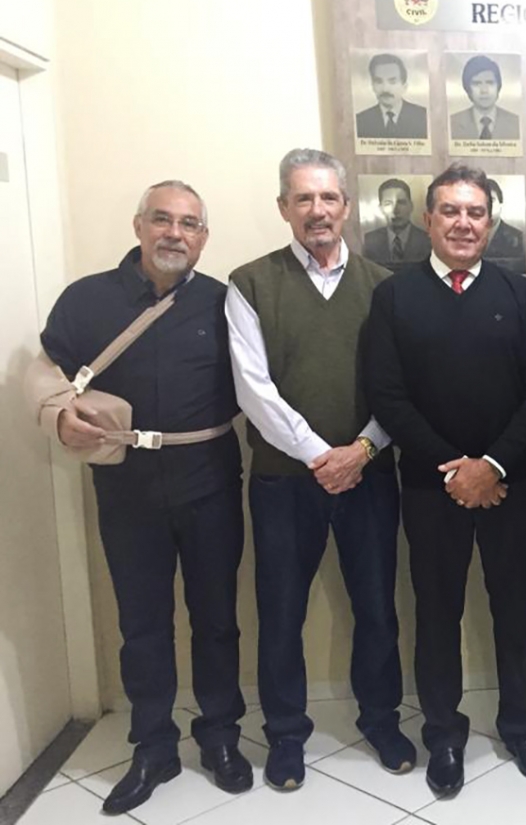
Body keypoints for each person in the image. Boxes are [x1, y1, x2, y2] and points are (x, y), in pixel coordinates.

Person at [36, 181, 249, 814]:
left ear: (203, 237)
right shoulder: (85, 300)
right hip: (126, 487)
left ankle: (220, 737)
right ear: (138, 226)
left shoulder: (225, 303)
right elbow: (45, 374)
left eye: (189, 224)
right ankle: (153, 747)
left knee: (217, 619)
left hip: (210, 481)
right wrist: (56, 417)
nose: (174, 234)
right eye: (162, 219)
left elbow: (258, 383)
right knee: (142, 625)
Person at [364, 163, 526, 796]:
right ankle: (444, 735)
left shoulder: (522, 296)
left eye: (476, 212)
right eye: (450, 210)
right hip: (431, 488)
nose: (463, 222)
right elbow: (388, 397)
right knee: (436, 613)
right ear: (429, 219)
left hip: (513, 485)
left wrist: (492, 466)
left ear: (491, 224)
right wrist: (456, 469)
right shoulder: (395, 297)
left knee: (517, 610)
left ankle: (522, 726)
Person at [226, 149, 411, 791]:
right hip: (284, 479)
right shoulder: (250, 283)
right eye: (303, 198)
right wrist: (317, 455)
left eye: (328, 197)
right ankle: (285, 734)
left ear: (347, 206)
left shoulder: (383, 285)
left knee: (377, 608)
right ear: (284, 207)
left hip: (369, 474)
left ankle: (381, 720)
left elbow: (399, 387)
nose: (317, 210)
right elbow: (252, 387)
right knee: (281, 612)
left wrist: (360, 451)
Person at [355, 53, 429, 139]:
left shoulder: (423, 117)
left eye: (392, 82)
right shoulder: (360, 121)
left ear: (404, 86)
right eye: (379, 82)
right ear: (373, 86)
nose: (385, 89)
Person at [363, 178, 432, 268]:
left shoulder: (427, 240)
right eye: (388, 203)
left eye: (401, 203)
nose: (395, 210)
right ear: (380, 208)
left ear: (411, 206)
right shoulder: (369, 240)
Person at [449, 55, 520, 140]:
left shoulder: (516, 123)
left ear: (498, 86)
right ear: (467, 88)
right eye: (477, 83)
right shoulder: (452, 123)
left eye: (490, 83)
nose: (484, 90)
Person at [484, 178, 526, 269]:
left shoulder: (516, 237)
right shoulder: (468, 233)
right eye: (484, 200)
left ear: (501, 204)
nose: (488, 205)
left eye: (492, 200)